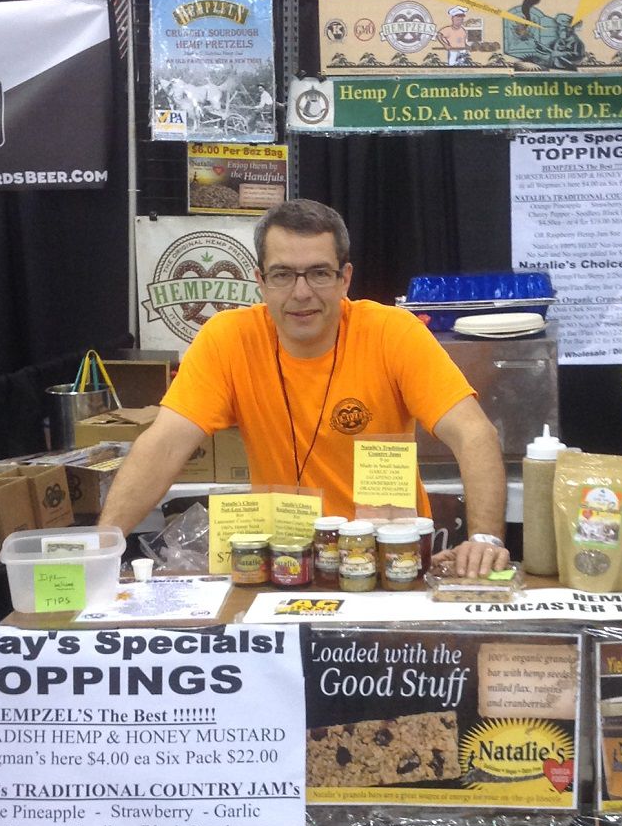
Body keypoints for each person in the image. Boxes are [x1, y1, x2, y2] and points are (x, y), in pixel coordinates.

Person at [100, 199, 511, 578]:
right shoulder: (227, 339)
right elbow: (164, 445)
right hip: (282, 561)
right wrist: (101, 546)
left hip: (388, 562)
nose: (302, 293)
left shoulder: (393, 333)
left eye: (318, 273)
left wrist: (486, 539)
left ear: (344, 278)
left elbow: (474, 433)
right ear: (261, 281)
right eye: (283, 274)